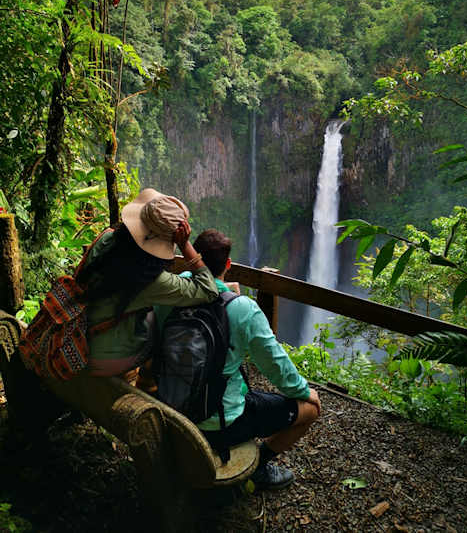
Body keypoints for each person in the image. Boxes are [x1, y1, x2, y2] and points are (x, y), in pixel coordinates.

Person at [156, 228, 321, 491]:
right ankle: (259, 468)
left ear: (192, 258)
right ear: (228, 264)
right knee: (310, 409)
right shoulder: (243, 309)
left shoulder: (171, 292)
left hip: (173, 406)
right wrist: (304, 391)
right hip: (222, 423)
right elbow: (276, 366)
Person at [77, 188, 218, 377]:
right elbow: (208, 290)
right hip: (102, 359)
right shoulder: (151, 279)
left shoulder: (107, 239)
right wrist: (185, 245)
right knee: (160, 326)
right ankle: (150, 384)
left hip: (77, 337)